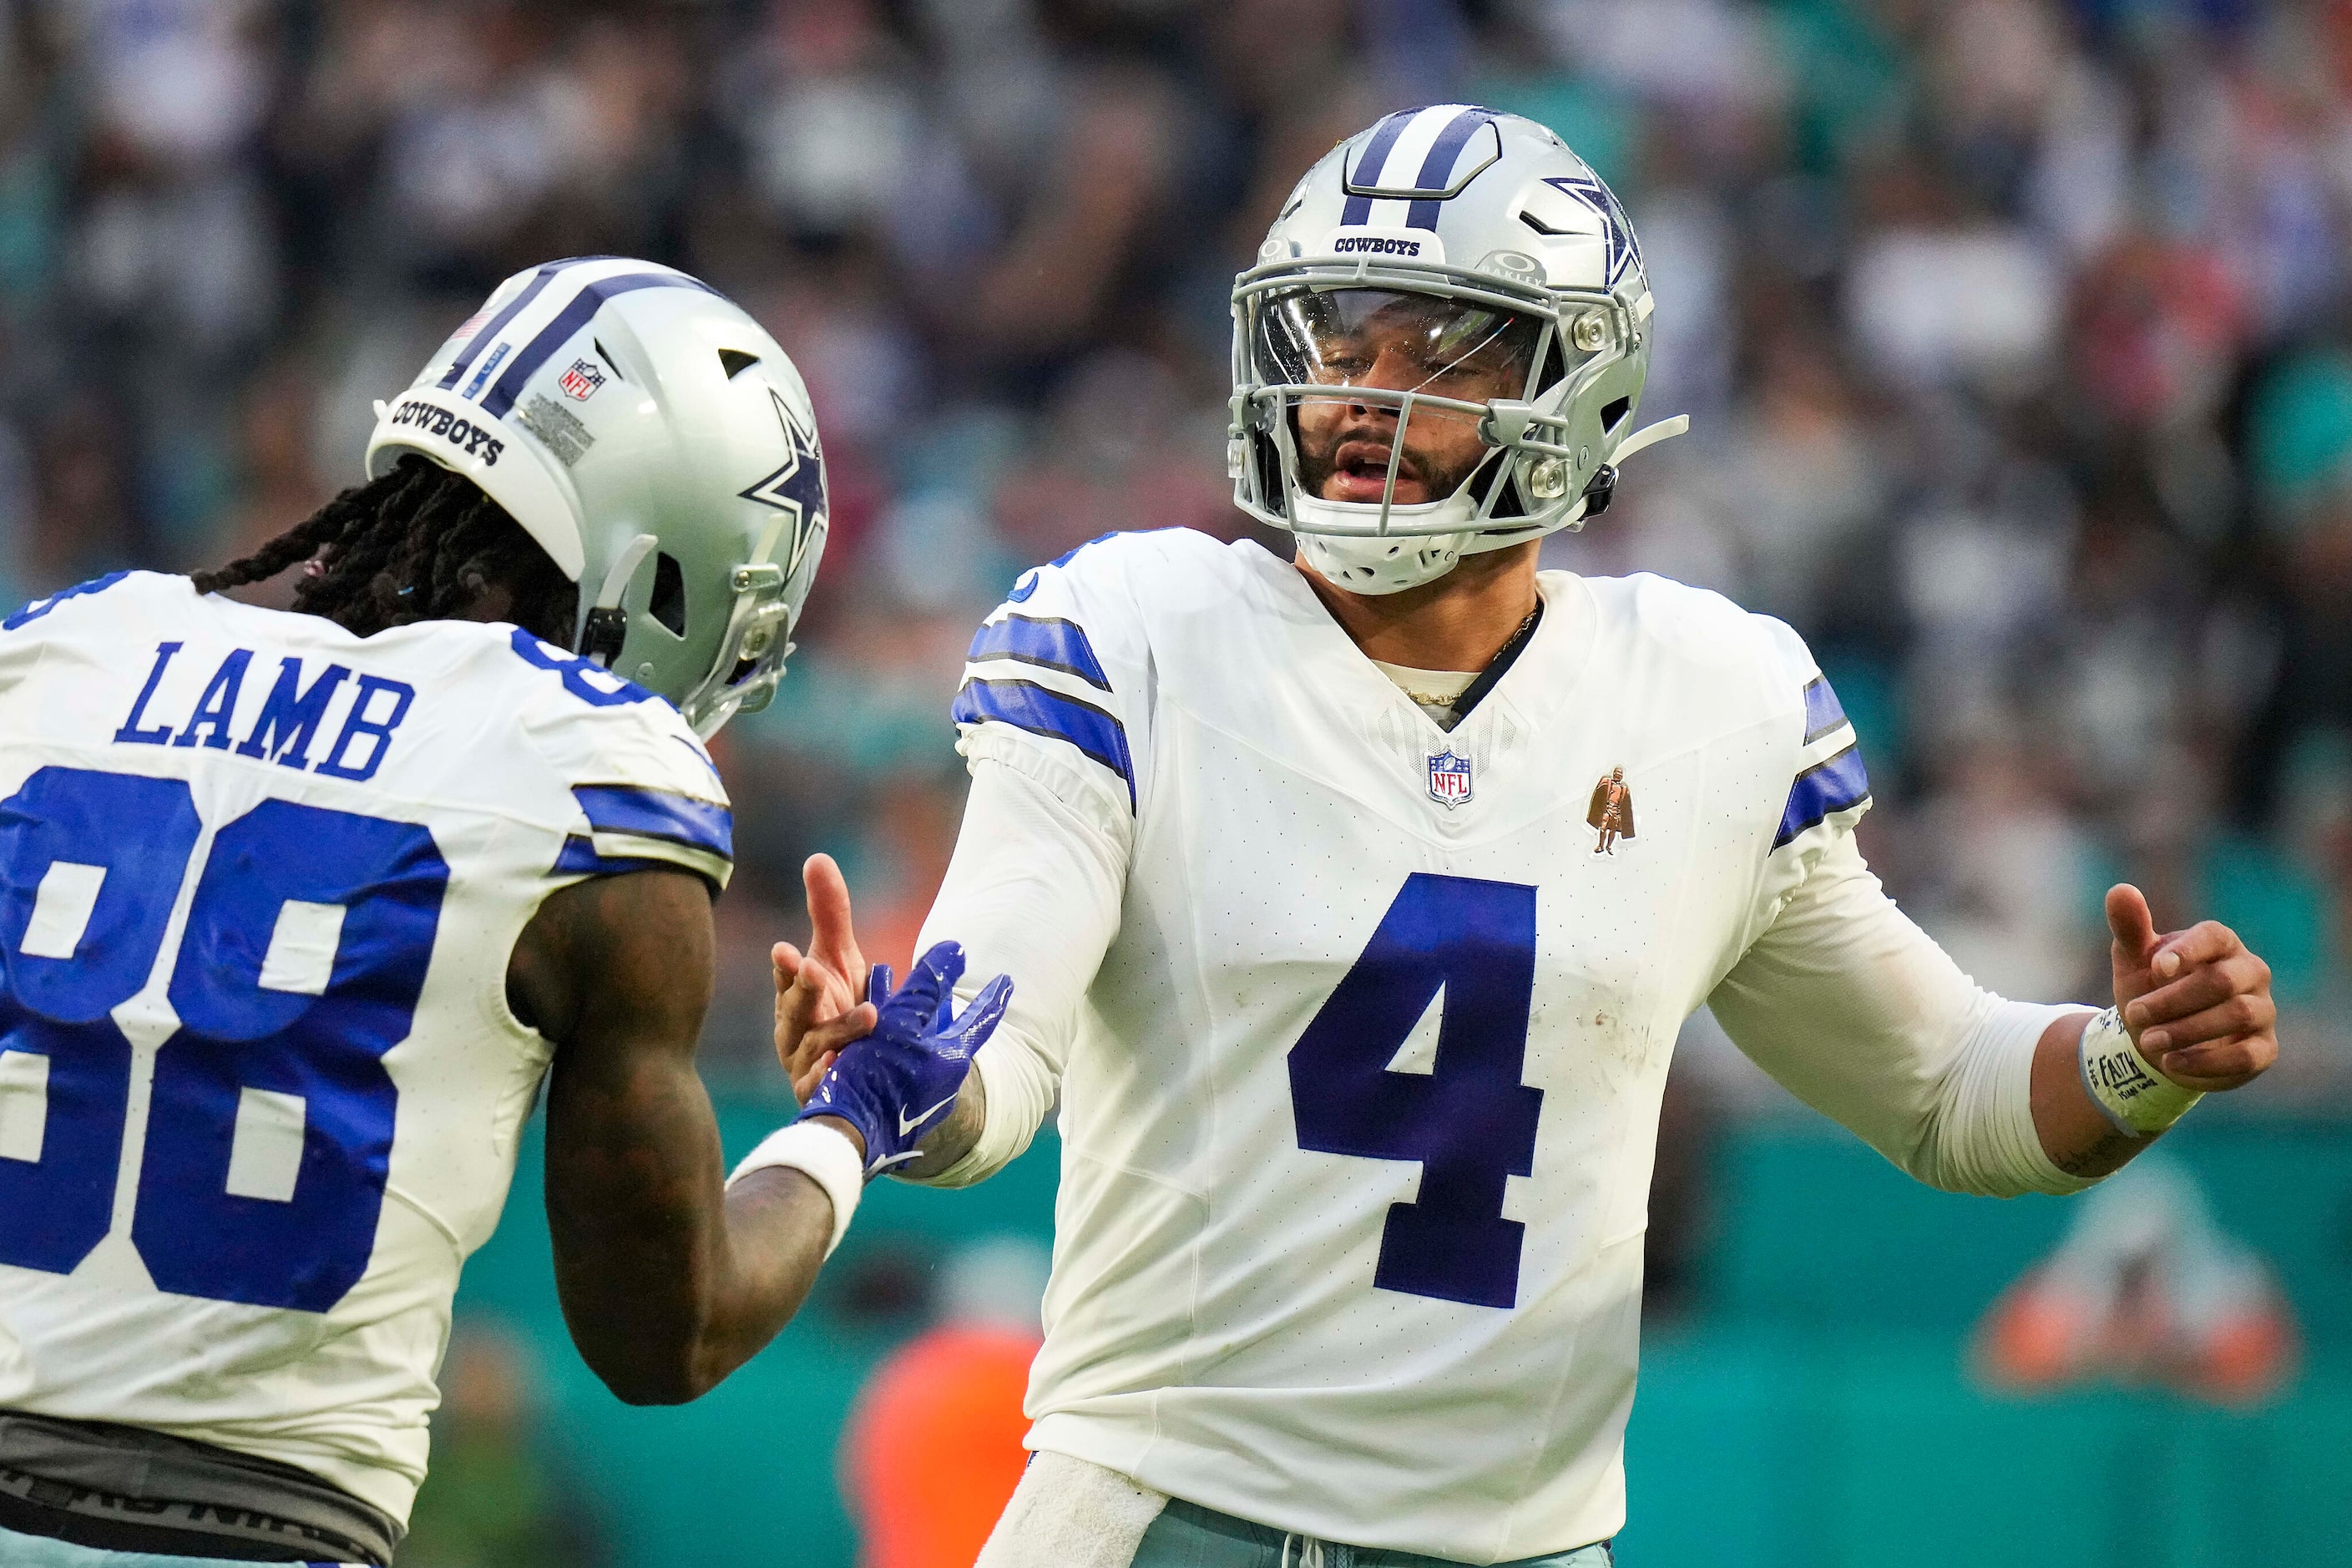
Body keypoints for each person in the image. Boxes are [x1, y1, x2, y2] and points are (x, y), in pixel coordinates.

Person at [773, 109, 2281, 1568]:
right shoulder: (1133, 631)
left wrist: (2132, 1058)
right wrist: (898, 1064)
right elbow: (996, 1048)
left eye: (1442, 353)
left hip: (1522, 1548)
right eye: (1340, 345)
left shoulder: (1703, 699)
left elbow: (1947, 1091)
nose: (1367, 394)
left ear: (1585, 389)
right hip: (1170, 1521)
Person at [0, 255, 1001, 1567]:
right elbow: (666, 1334)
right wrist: (852, 1119)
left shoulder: (63, 650)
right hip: (249, 1528)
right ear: (665, 558)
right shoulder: (592, 781)